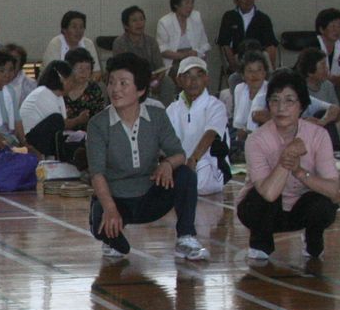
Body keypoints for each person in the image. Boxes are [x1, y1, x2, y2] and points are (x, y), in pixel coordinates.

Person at [88, 52, 208, 262]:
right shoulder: (98, 124)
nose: (115, 89)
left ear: (141, 89)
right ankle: (112, 235)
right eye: (112, 83)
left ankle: (186, 237)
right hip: (117, 200)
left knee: (186, 174)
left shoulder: (157, 116)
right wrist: (109, 209)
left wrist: (168, 164)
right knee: (103, 230)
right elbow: (97, 173)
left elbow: (179, 154)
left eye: (123, 83)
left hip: (150, 197)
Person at [237, 70, 339, 262]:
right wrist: (288, 155)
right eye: (275, 101)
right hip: (264, 209)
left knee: (323, 205)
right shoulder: (256, 139)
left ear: (302, 106)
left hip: (299, 206)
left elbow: (333, 191)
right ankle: (260, 243)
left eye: (289, 101)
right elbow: (268, 193)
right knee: (259, 200)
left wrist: (300, 172)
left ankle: (313, 238)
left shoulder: (318, 135)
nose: (281, 108)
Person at [166, 56, 228, 197]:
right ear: (179, 80)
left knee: (195, 183)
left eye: (199, 76)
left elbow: (210, 134)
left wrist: (193, 160)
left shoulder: (216, 106)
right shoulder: (172, 109)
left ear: (206, 79)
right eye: (187, 76)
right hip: (181, 164)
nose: (193, 81)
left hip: (207, 165)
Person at [217, 0, 279, 72]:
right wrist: (232, 65)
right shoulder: (229, 17)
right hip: (238, 57)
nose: (248, 0)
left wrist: (272, 68)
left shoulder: (263, 18)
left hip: (259, 57)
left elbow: (271, 45)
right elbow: (225, 44)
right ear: (235, 0)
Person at [20, 60, 70, 161]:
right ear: (62, 79)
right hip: (29, 140)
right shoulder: (43, 93)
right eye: (70, 80)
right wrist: (78, 120)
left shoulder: (58, 96)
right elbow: (61, 123)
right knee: (56, 119)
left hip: (41, 136)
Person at [156, 0, 210, 75]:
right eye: (187, 2)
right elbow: (162, 49)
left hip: (194, 59)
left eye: (192, 2)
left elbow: (205, 44)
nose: (190, 6)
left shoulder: (196, 17)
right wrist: (183, 55)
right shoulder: (164, 22)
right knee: (184, 74)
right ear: (176, 4)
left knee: (200, 74)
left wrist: (197, 53)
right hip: (174, 61)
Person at [232, 50, 270, 146]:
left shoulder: (271, 90)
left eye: (259, 70)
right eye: (250, 71)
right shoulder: (239, 89)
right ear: (242, 75)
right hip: (242, 135)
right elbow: (238, 122)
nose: (255, 74)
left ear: (265, 73)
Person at [63, 47, 105, 129]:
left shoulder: (94, 89)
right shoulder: (60, 89)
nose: (84, 72)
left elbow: (100, 118)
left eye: (88, 68)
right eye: (80, 68)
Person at [314, 8, 340, 79]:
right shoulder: (314, 45)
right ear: (321, 29)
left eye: (339, 26)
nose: (336, 30)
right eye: (332, 26)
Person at [3, 43, 36, 107]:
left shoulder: (30, 85)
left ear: (21, 63)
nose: (11, 63)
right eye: (8, 59)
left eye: (15, 60)